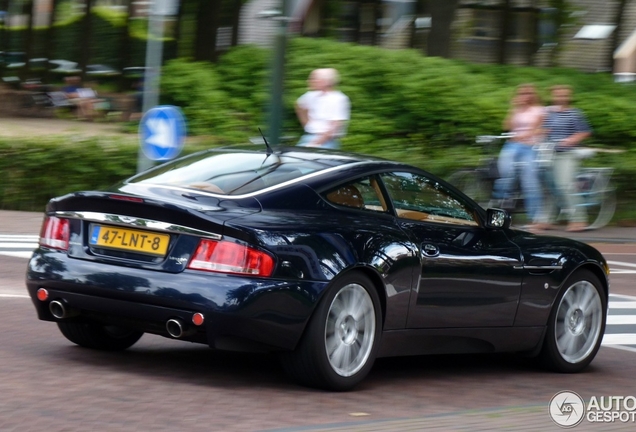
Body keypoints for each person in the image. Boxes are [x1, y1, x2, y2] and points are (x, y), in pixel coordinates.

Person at [492, 83, 546, 230]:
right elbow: (506, 126)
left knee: (530, 181)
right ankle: (501, 215)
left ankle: (536, 219)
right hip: (512, 145)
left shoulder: (538, 110)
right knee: (505, 177)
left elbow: (541, 127)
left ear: (532, 95)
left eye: (527, 93)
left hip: (530, 147)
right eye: (521, 93)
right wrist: (513, 108)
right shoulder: (517, 110)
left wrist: (528, 134)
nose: (524, 96)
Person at [542, 85, 592, 232]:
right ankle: (547, 220)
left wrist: (571, 140)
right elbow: (541, 129)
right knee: (550, 187)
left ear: (569, 97)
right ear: (553, 96)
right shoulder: (548, 112)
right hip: (548, 153)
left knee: (565, 186)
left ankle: (579, 220)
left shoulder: (574, 113)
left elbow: (584, 132)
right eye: (558, 95)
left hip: (566, 153)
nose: (561, 98)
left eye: (564, 95)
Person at [295, 68, 350, 149]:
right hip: (308, 136)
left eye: (314, 79)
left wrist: (314, 144)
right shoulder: (310, 95)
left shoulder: (338, 99)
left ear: (325, 81)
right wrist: (307, 124)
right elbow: (299, 106)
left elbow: (335, 126)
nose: (309, 81)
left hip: (326, 142)